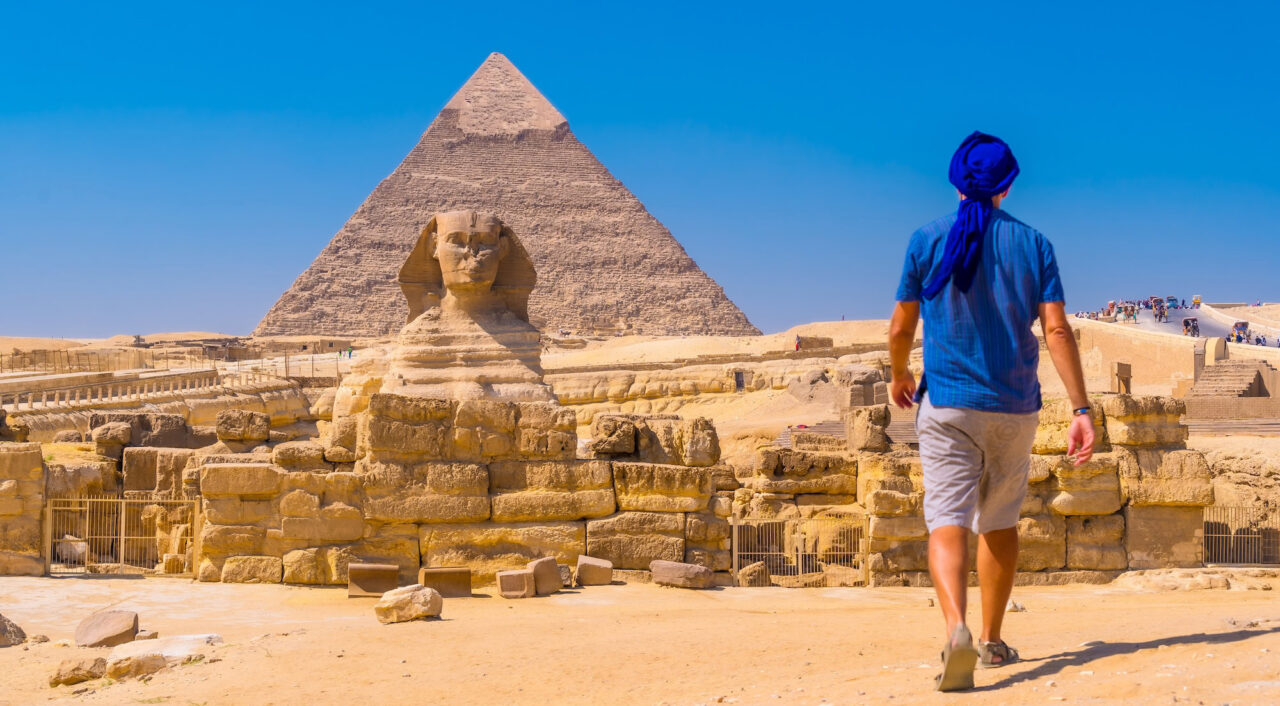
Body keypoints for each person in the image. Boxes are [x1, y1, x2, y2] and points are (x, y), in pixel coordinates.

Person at [889, 132, 1095, 692]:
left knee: (947, 521)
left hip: (949, 404)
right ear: (1008, 184)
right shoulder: (1035, 245)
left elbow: (901, 327)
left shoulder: (925, 239)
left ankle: (954, 628)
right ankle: (992, 641)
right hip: (1014, 406)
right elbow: (1056, 328)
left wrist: (899, 374)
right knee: (1000, 521)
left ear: (956, 180)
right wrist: (1081, 407)